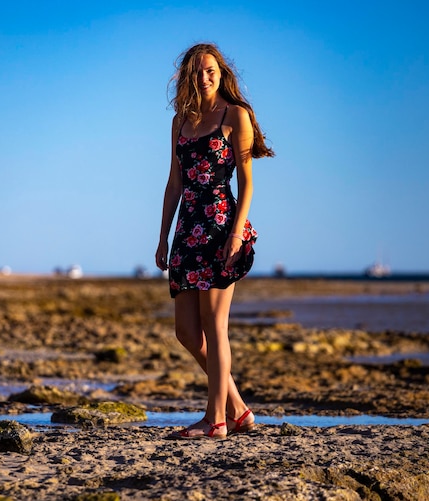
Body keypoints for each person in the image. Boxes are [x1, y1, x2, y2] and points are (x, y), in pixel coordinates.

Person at [155, 43, 274, 439]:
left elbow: (247, 182)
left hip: (222, 225)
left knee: (214, 325)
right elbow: (175, 183)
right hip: (188, 230)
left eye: (210, 70)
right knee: (186, 332)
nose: (203, 77)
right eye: (196, 71)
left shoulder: (234, 116)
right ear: (188, 76)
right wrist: (162, 238)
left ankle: (215, 419)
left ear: (221, 73)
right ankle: (237, 408)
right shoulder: (180, 121)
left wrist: (237, 233)